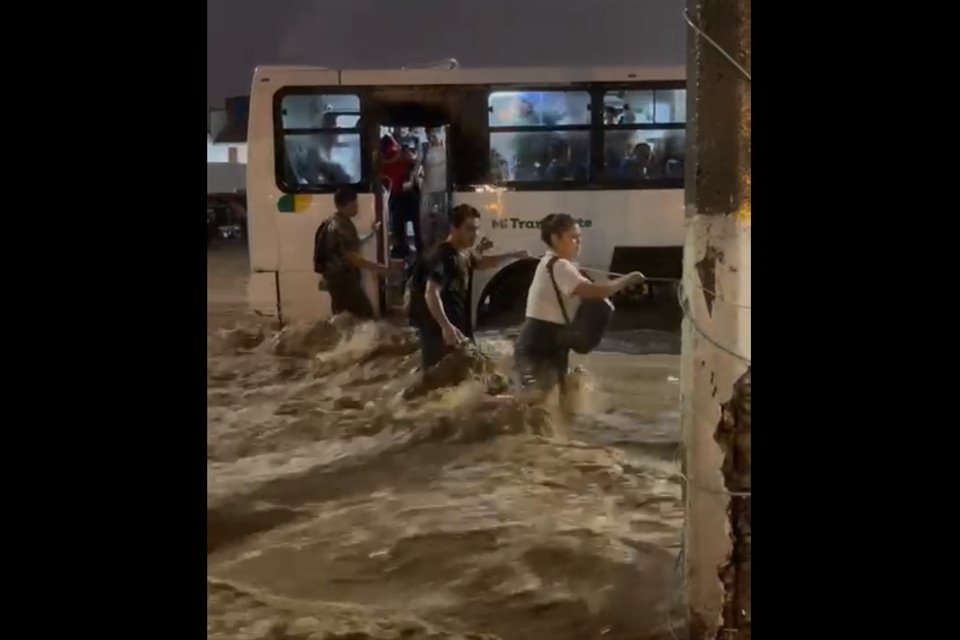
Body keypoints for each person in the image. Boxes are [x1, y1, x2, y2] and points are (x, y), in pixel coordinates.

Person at [514, 213, 644, 401]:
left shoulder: (557, 264)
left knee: (552, 397)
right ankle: (474, 408)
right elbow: (596, 292)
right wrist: (626, 280)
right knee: (531, 397)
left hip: (551, 341)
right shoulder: (559, 266)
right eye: (573, 238)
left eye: (579, 238)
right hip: (537, 342)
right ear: (555, 238)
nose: (578, 243)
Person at [419, 204, 528, 370]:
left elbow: (482, 263)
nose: (475, 234)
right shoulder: (443, 255)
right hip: (442, 337)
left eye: (476, 229)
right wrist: (446, 327)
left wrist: (513, 255)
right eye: (469, 229)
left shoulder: (464, 253)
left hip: (460, 333)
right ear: (454, 228)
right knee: (439, 383)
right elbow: (431, 293)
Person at [319, 187, 390, 319]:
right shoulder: (341, 226)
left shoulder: (334, 222)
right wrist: (379, 268)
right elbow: (352, 257)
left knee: (343, 316)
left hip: (335, 279)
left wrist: (372, 232)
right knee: (365, 314)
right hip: (343, 280)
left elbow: (352, 243)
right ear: (348, 204)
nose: (357, 207)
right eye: (355, 203)